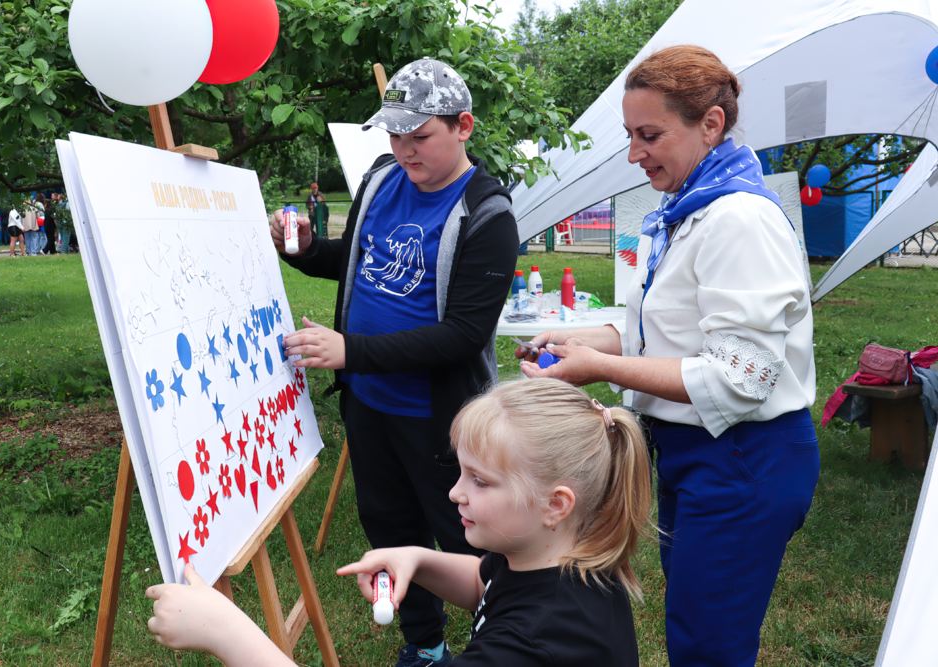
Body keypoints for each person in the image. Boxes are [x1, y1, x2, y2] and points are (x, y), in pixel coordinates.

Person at [518, 45, 818, 667]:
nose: (634, 154)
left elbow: (740, 376)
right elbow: (670, 336)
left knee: (709, 646)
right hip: (698, 452)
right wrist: (582, 343)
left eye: (649, 135)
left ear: (710, 124)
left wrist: (600, 368)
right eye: (630, 135)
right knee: (695, 629)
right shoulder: (690, 207)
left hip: (742, 457)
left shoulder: (739, 220)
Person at [270, 57, 518, 667]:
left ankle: (501, 644)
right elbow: (358, 258)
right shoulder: (382, 180)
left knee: (467, 539)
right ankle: (425, 645)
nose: (405, 150)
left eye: (420, 136)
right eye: (394, 135)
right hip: (370, 405)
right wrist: (304, 250)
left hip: (442, 420)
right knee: (388, 525)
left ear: (463, 126)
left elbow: (462, 336)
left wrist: (350, 351)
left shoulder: (488, 215)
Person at [146, 378, 650, 667]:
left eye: (480, 480)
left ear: (555, 505)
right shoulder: (550, 555)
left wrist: (223, 630)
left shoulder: (537, 644)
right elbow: (487, 584)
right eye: (460, 472)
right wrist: (420, 559)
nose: (455, 492)